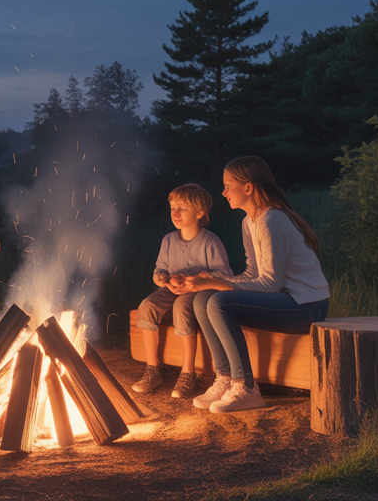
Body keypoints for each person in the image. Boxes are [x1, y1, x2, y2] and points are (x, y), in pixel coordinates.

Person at [185, 157, 330, 413]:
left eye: (228, 185)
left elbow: (270, 284)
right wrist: (209, 281)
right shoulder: (249, 221)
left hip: (306, 305)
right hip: (283, 301)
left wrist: (219, 283)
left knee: (218, 301)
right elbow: (253, 274)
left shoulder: (272, 220)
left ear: (248, 188)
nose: (224, 192)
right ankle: (226, 378)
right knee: (202, 298)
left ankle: (245, 387)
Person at [130, 184, 234, 399]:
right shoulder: (168, 240)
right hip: (172, 287)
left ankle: (187, 372)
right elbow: (160, 269)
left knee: (181, 308)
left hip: (197, 292)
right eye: (173, 208)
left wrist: (200, 279)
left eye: (182, 208)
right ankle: (152, 370)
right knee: (147, 306)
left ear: (199, 213)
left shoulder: (209, 241)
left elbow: (224, 274)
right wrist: (162, 279)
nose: (175, 213)